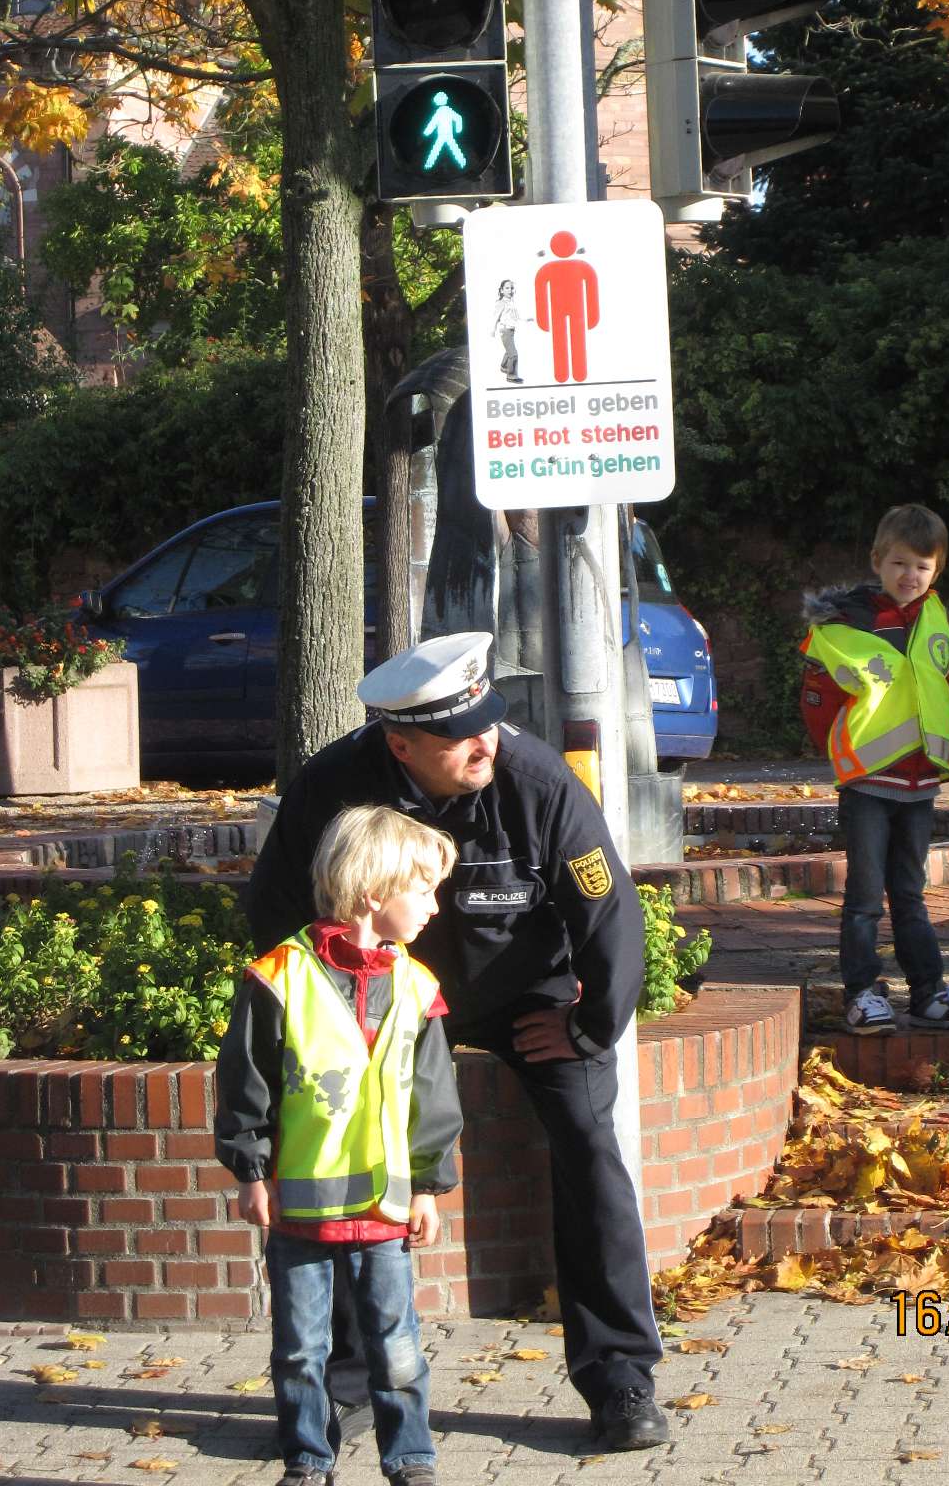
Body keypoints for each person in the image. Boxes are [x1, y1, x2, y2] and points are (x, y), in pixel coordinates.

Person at [245, 632, 668, 1454]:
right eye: (458, 736)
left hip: (525, 998)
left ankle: (621, 1377)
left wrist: (587, 1023)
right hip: (379, 999)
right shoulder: (333, 785)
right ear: (399, 744)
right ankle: (347, 1384)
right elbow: (274, 908)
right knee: (335, 1150)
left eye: (488, 722)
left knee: (590, 1145)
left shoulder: (537, 782)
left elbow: (609, 912)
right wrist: (323, 1009)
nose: (484, 742)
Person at [215, 804, 464, 1486]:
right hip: (298, 1211)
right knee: (300, 1349)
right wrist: (250, 1171)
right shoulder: (278, 976)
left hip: (385, 1211)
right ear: (373, 892)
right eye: (424, 889)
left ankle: (411, 1459)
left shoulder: (417, 987)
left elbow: (432, 1097)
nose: (435, 909)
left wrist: (429, 1184)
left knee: (397, 1346)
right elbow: (247, 1082)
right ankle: (307, 1459)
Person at [800, 502, 949, 1032]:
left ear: (937, 570)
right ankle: (862, 991)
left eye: (922, 567)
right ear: (878, 560)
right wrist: (841, 750)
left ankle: (926, 990)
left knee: (910, 892)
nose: (911, 576)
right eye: (901, 563)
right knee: (863, 895)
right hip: (868, 781)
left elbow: (944, 685)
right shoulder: (847, 625)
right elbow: (818, 698)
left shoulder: (936, 619)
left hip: (920, 779)